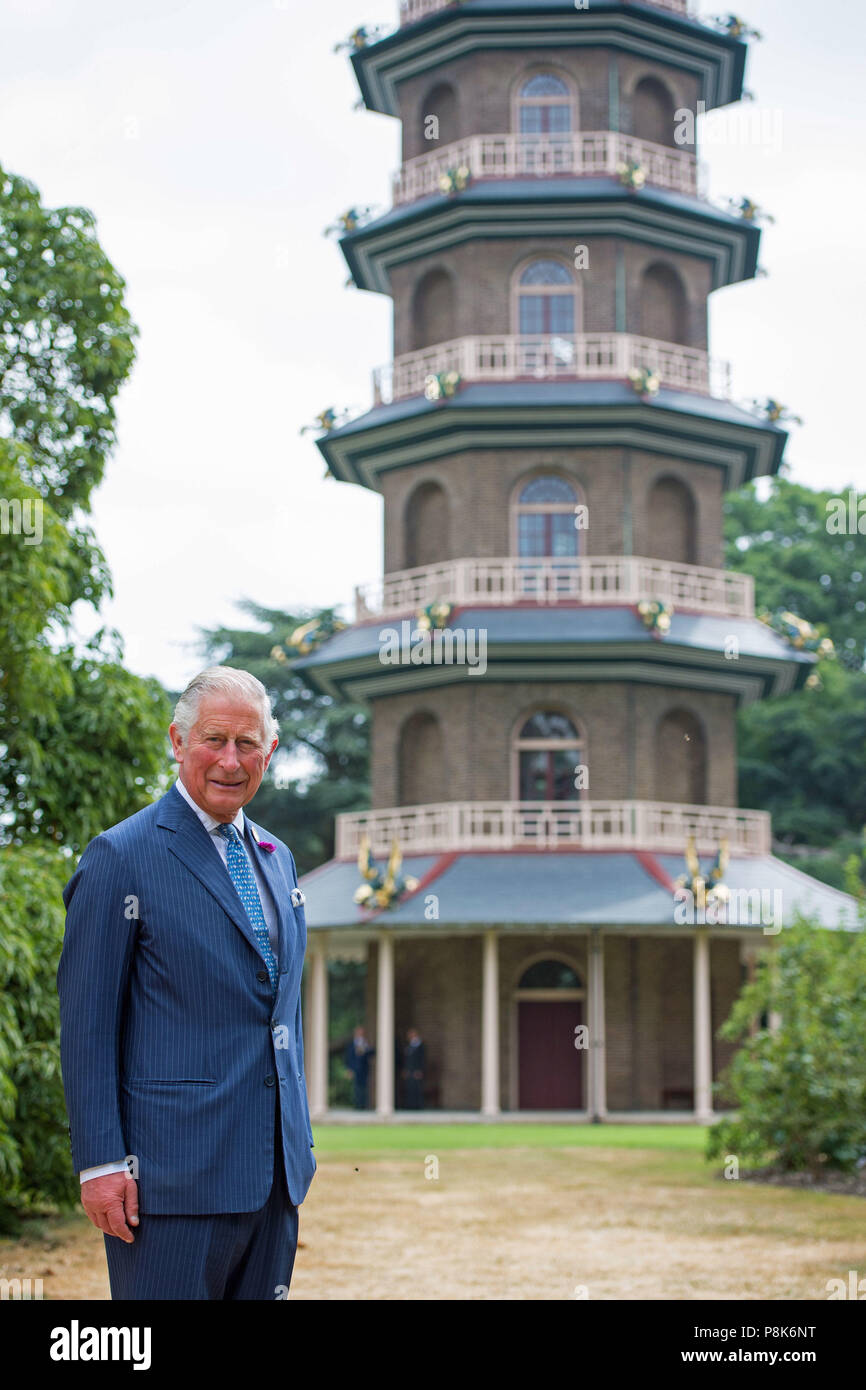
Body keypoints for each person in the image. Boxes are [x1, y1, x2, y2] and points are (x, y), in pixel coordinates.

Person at [57, 666, 317, 1300]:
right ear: (177, 741)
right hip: (166, 1183)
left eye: (247, 743)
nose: (231, 760)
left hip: (274, 1177)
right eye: (214, 740)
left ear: (270, 751)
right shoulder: (121, 857)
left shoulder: (278, 861)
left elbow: (278, 1011)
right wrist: (100, 1164)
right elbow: (88, 1027)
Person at [343, 1026, 375, 1110]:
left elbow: (372, 1052)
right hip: (355, 1070)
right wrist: (349, 1069)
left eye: (362, 1032)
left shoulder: (365, 1043)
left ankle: (363, 1106)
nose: (360, 1034)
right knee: (356, 1088)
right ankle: (357, 1106)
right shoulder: (351, 1044)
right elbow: (348, 1057)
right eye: (359, 1032)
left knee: (364, 1088)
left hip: (364, 1069)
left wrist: (365, 1050)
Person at [402, 1027, 426, 1110]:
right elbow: (406, 1060)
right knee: (410, 1089)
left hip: (416, 1072)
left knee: (418, 1089)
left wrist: (420, 1070)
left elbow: (422, 1059)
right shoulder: (409, 1046)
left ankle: (418, 1106)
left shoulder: (421, 1046)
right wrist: (406, 1070)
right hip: (409, 1071)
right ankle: (410, 1106)